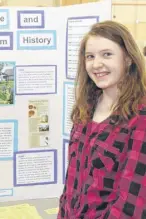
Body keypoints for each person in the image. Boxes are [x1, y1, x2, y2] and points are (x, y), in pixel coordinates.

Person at [58, 20, 146, 219]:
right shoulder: (85, 109)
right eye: (90, 56)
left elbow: (131, 206)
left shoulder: (140, 116)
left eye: (107, 54)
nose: (96, 64)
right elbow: (70, 188)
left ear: (128, 58)